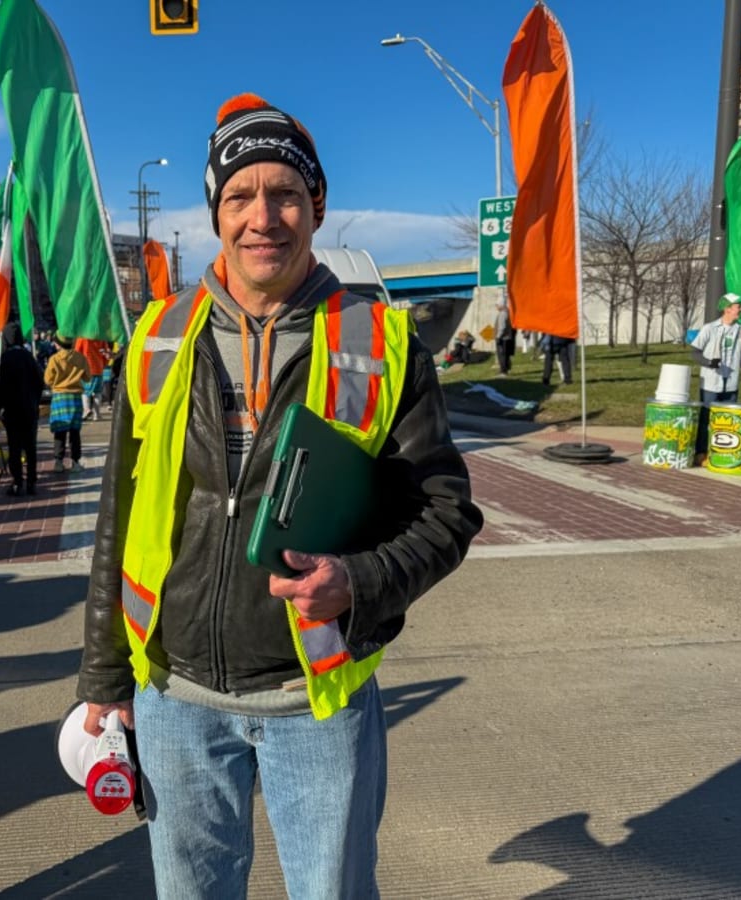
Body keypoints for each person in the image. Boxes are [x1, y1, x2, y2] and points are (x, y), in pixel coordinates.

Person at [76, 92, 482, 898]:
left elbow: (448, 514)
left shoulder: (385, 343)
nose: (264, 216)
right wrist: (103, 680)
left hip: (315, 701)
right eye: (240, 195)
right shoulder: (157, 336)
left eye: (285, 193)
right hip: (175, 698)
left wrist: (358, 583)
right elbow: (118, 518)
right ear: (216, 213)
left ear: (317, 206)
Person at [691, 292, 741, 454]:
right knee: (706, 419)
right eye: (738, 306)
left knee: (727, 419)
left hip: (731, 382)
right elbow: (695, 353)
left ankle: (721, 452)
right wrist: (709, 362)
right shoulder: (710, 328)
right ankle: (701, 452)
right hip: (711, 382)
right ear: (727, 309)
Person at [0, 321, 45, 496]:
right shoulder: (28, 356)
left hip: (12, 411)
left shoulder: (7, 358)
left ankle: (17, 482)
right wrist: (34, 401)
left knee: (14, 448)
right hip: (29, 409)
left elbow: (2, 388)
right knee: (30, 448)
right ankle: (32, 482)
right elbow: (40, 381)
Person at [42, 334, 89, 472]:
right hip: (75, 398)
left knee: (59, 431)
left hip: (59, 398)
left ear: (58, 344)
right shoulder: (80, 358)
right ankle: (75, 462)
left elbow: (47, 380)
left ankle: (58, 462)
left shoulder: (54, 359)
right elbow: (87, 377)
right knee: (75, 432)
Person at [494, 300, 515, 376]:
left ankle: (503, 371)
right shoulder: (507, 312)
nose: (496, 307)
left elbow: (502, 327)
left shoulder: (502, 314)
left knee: (502, 355)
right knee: (505, 355)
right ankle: (506, 369)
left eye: (497, 305)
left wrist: (498, 336)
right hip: (506, 337)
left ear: (501, 305)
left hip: (503, 338)